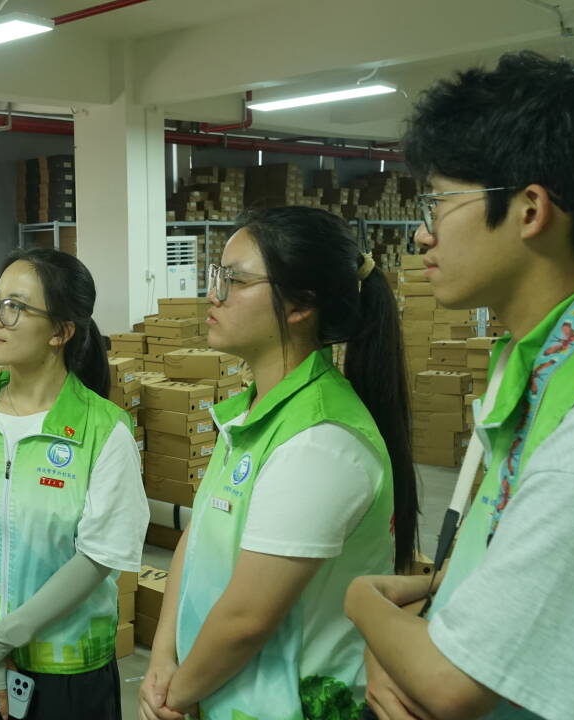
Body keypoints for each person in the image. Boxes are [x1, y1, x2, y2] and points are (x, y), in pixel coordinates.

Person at [345, 51, 574, 720]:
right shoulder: (536, 363)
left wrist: (362, 603)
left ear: (529, 210)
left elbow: (453, 683)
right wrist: (402, 635)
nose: (422, 235)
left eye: (439, 202)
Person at [140, 207, 420, 720]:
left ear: (300, 305)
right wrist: (162, 657)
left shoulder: (320, 441)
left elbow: (246, 619)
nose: (213, 295)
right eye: (216, 276)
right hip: (217, 693)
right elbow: (196, 540)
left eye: (235, 280)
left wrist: (175, 697)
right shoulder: (254, 413)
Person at [0, 247, 149, 720]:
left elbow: (98, 556)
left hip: (65, 673)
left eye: (15, 306)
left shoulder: (103, 430)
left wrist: (3, 638)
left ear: (60, 332)